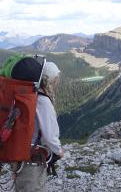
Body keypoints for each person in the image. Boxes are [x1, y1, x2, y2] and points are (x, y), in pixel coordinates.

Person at [14, 61, 64, 192]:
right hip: (32, 159)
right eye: (55, 80)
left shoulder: (30, 95)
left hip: (20, 153)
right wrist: (59, 151)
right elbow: (49, 135)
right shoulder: (43, 101)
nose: (56, 83)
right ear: (49, 80)